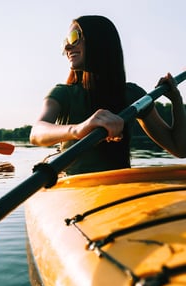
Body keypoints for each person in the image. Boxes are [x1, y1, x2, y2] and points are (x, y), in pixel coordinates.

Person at [30, 15, 186, 175]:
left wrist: (176, 100)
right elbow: (36, 133)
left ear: (100, 41)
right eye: (66, 43)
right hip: (74, 188)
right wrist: (78, 129)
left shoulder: (133, 95)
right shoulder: (63, 93)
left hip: (121, 186)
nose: (67, 48)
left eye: (74, 38)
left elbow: (179, 149)